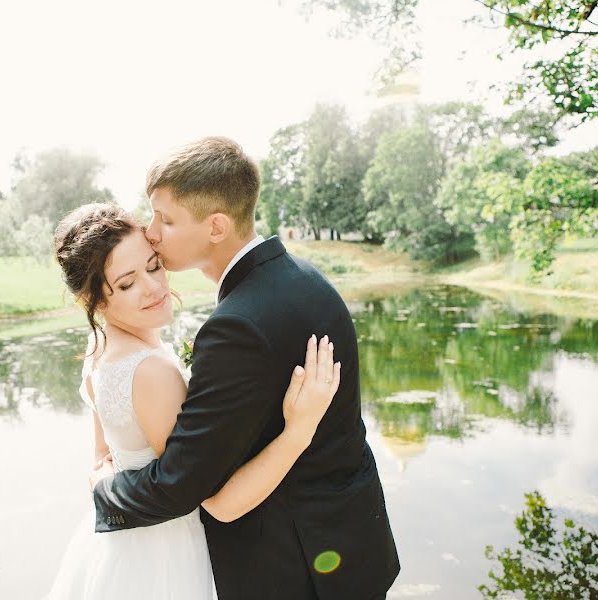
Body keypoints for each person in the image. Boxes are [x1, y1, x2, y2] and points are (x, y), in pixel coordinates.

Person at [89, 137, 399, 599]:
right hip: (353, 545)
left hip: (294, 569)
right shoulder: (304, 278)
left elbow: (182, 484)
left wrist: (104, 491)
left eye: (166, 219)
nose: (151, 232)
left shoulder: (237, 325)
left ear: (216, 226)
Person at [46, 202, 341, 599]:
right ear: (95, 301)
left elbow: (103, 458)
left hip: (118, 548)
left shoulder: (98, 349)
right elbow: (216, 498)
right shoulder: (150, 372)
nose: (153, 287)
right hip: (165, 557)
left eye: (153, 266)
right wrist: (298, 430)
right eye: (128, 283)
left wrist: (105, 486)